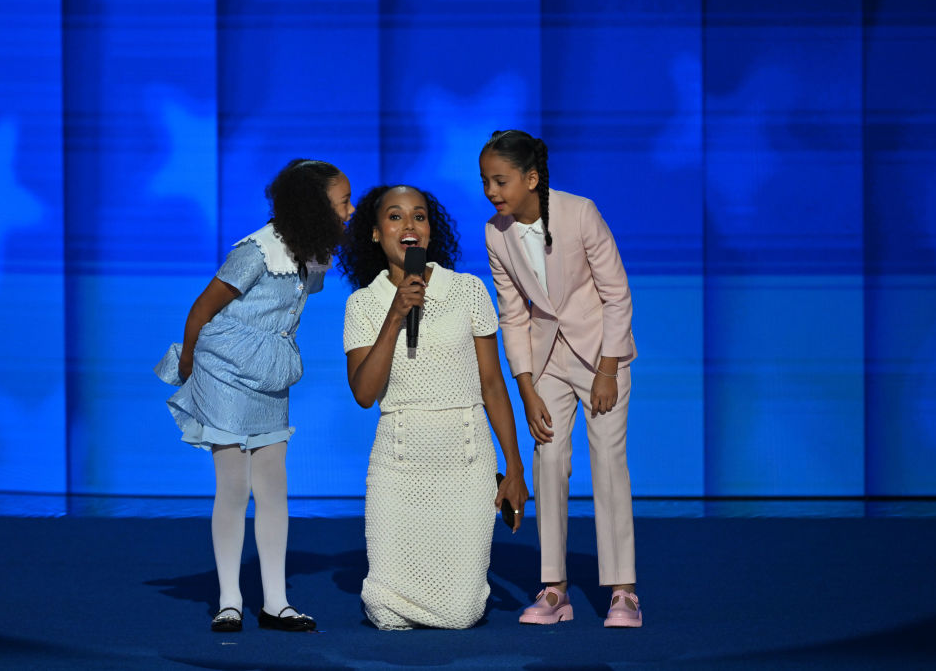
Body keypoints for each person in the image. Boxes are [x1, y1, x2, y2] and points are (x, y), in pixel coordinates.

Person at [154, 159, 355, 633]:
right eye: (343, 202)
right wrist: (189, 368)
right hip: (225, 369)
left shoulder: (311, 250)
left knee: (272, 489)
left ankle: (276, 602)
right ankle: (228, 600)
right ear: (314, 205)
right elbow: (203, 307)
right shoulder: (256, 251)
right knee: (234, 486)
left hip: (269, 373)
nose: (349, 210)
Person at [337, 184, 529, 630]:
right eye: (396, 216)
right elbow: (365, 394)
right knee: (386, 615)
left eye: (419, 216)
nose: (409, 225)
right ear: (374, 233)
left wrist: (514, 468)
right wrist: (395, 315)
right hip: (399, 461)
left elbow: (492, 385)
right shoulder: (362, 304)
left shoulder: (468, 290)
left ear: (430, 230)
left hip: (465, 460)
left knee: (461, 614)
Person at [479, 129, 641, 628]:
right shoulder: (495, 232)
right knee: (548, 459)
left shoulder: (580, 212)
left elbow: (617, 294)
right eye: (485, 181)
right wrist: (526, 389)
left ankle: (623, 592)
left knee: (608, 463)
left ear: (531, 178)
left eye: (501, 181)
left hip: (600, 357)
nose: (491, 192)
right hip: (546, 361)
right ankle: (554, 588)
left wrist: (608, 368)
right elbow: (513, 315)